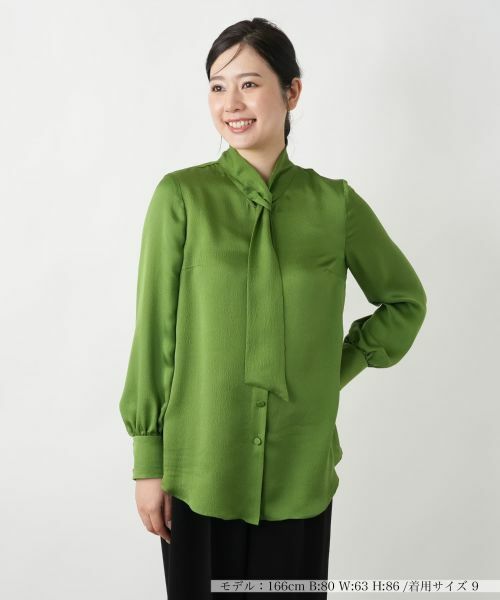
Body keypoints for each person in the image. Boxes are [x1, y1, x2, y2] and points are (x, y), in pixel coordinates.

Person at [119, 17, 427, 600]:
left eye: (249, 84)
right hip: (200, 471)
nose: (231, 103)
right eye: (217, 86)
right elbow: (155, 333)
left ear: (292, 92)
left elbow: (405, 302)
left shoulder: (335, 205)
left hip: (298, 473)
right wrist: (147, 461)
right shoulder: (181, 198)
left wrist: (333, 369)